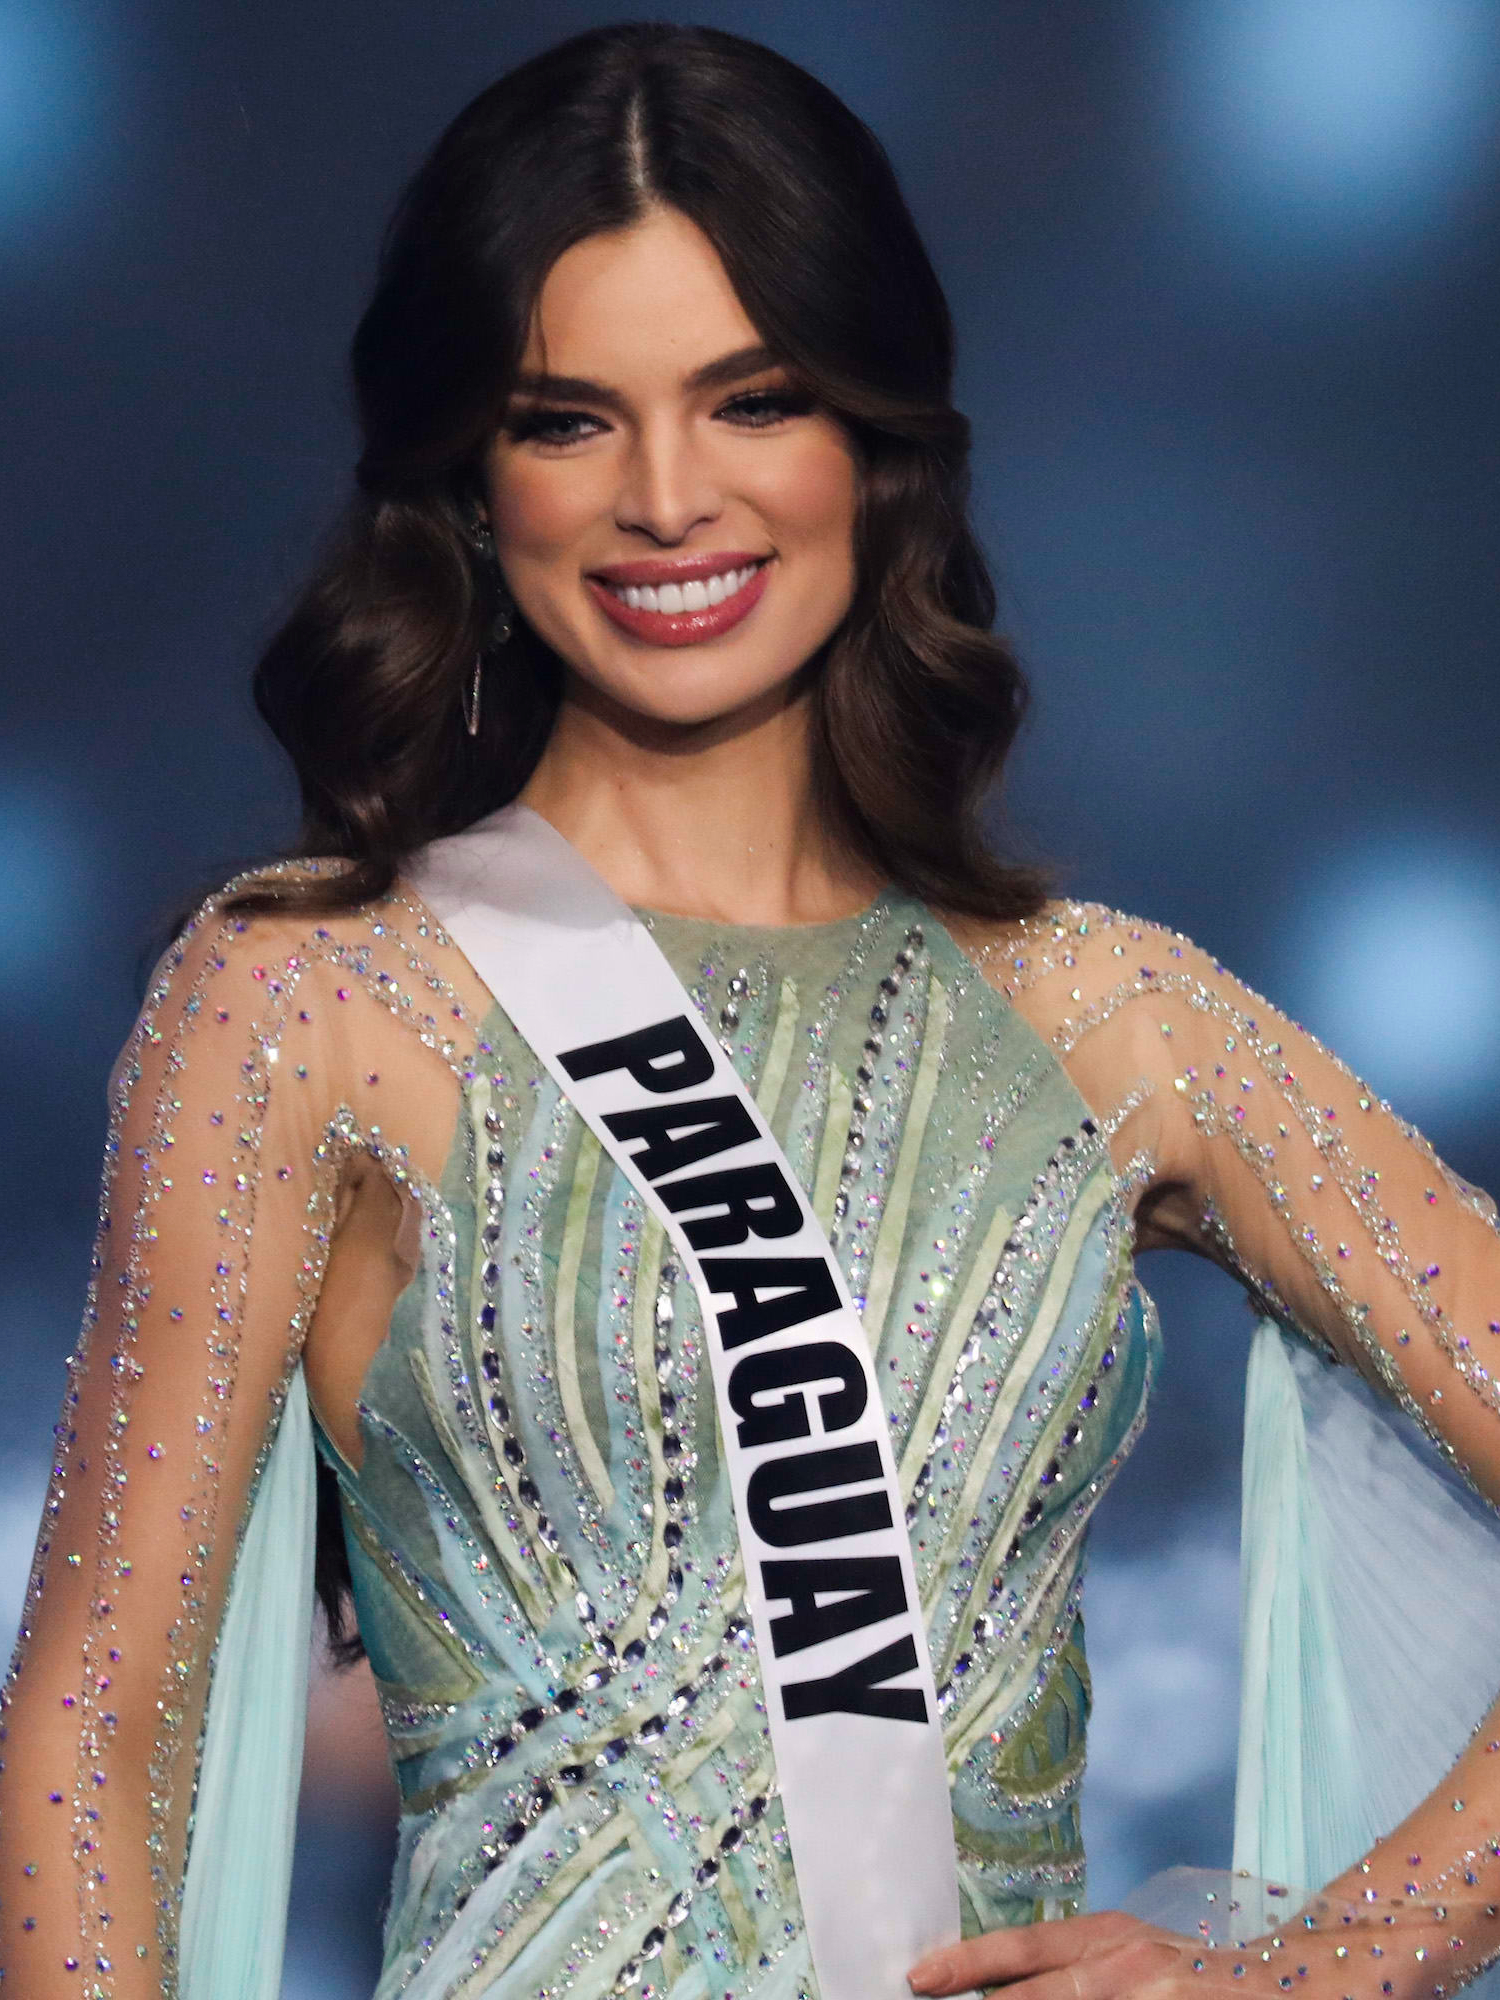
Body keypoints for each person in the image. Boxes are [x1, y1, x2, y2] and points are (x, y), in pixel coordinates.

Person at [3, 22, 1499, 2000]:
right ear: (473, 481)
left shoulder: (1109, 1017)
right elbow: (101, 1730)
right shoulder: (309, 1002)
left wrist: (1309, 1970)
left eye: (752, 399)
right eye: (569, 421)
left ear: (872, 438)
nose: (666, 498)